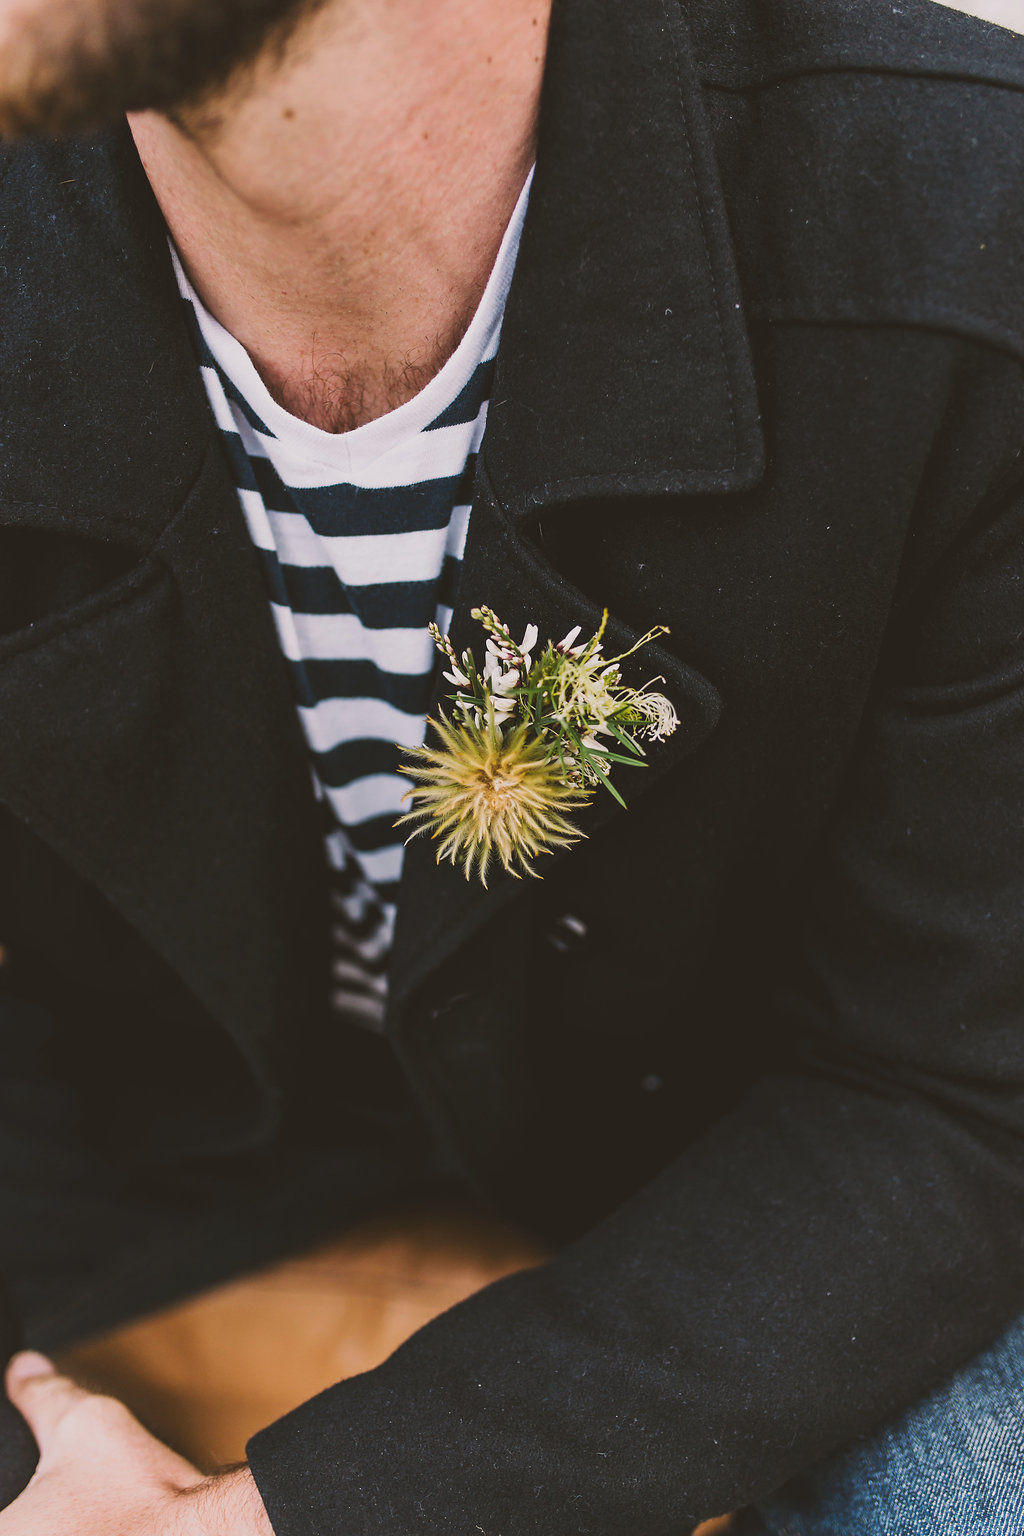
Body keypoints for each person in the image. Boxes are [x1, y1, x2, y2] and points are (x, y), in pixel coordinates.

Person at [1, 0, 1024, 1530]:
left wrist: (311, 1514)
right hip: (142, 1178)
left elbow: (959, 1085)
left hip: (766, 1169)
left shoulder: (961, 225)